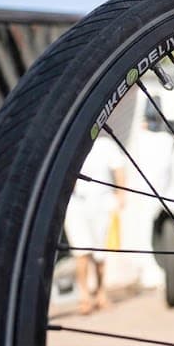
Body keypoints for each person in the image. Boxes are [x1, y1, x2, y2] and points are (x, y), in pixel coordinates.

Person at [64, 133, 127, 314]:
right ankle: (84, 296)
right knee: (81, 251)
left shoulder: (105, 145)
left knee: (100, 254)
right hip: (76, 204)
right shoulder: (70, 144)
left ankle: (101, 292)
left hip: (101, 203)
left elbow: (119, 168)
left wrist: (121, 194)